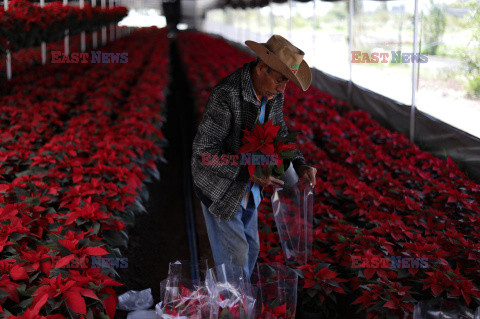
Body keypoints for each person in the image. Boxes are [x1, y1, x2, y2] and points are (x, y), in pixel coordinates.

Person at [191, 35, 317, 281]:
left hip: (250, 188)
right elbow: (204, 152)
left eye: (287, 82)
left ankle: (236, 301)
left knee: (251, 249)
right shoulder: (226, 95)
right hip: (222, 188)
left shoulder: (272, 93)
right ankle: (230, 307)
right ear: (261, 68)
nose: (283, 88)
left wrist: (300, 164)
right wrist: (250, 171)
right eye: (281, 79)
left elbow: (279, 132)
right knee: (236, 256)